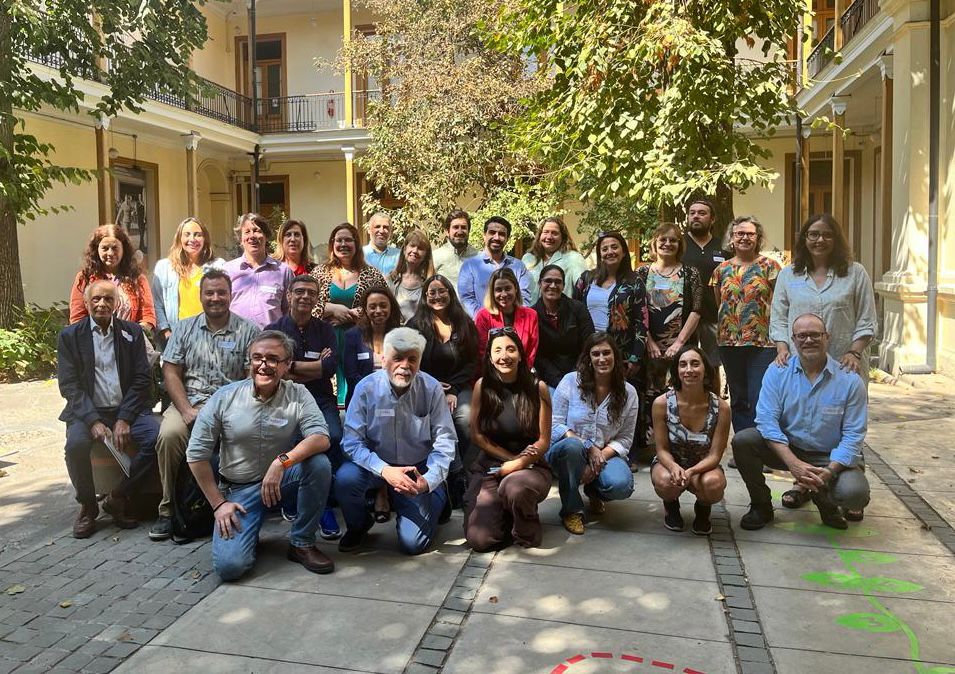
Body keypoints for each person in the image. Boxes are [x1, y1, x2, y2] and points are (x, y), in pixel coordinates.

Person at [187, 330, 336, 580]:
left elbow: (321, 437)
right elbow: (196, 454)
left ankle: (301, 543)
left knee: (319, 465)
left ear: (287, 365)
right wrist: (219, 504)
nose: (263, 365)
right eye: (257, 358)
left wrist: (281, 462)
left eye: (273, 359)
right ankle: (248, 528)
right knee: (230, 568)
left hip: (281, 481)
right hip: (238, 492)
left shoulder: (298, 393)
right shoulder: (225, 397)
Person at [770, 214, 877, 517]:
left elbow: (867, 320)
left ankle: (848, 484)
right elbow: (778, 318)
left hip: (845, 365)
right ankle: (804, 483)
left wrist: (855, 352)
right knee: (802, 420)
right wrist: (781, 347)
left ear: (836, 239)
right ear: (804, 239)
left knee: (845, 424)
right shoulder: (789, 275)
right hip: (798, 363)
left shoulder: (855, 274)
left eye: (827, 234)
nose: (819, 240)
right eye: (813, 234)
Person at [731, 314, 870, 531]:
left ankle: (825, 500)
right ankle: (761, 505)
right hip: (790, 447)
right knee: (743, 441)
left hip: (828, 455)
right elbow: (766, 421)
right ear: (793, 340)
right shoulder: (778, 372)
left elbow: (854, 435)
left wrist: (830, 471)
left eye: (815, 335)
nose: (808, 340)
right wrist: (793, 463)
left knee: (854, 494)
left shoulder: (849, 380)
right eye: (802, 336)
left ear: (827, 337)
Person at [149, 269, 260, 541]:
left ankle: (224, 506)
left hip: (231, 408)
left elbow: (251, 378)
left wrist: (227, 413)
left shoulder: (249, 331)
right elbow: (171, 372)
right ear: (200, 296)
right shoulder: (184, 328)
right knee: (168, 435)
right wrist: (186, 410)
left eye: (221, 292)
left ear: (231, 295)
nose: (215, 298)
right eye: (209, 293)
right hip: (190, 403)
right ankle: (168, 511)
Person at [336, 328, 456, 554]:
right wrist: (385, 471)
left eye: (412, 359)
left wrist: (429, 481)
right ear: (383, 360)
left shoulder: (431, 389)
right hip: (375, 466)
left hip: (416, 468)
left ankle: (438, 495)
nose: (405, 365)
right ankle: (359, 525)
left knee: (413, 545)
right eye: (397, 358)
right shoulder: (366, 389)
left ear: (420, 361)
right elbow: (351, 443)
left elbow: (445, 441)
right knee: (345, 479)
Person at [58, 280, 160, 538]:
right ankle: (88, 505)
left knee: (156, 439)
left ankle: (119, 496)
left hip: (127, 409)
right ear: (86, 303)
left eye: (108, 299)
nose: (102, 304)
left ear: (116, 304)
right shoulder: (70, 336)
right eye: (96, 299)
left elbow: (141, 378)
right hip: (88, 411)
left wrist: (124, 418)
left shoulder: (132, 333)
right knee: (75, 445)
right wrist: (92, 421)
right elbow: (69, 385)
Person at [267, 274, 342, 540]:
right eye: (299, 291)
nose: (305, 297)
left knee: (332, 435)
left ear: (317, 298)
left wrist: (291, 365)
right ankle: (293, 499)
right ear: (289, 295)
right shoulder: (273, 330)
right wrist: (313, 368)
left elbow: (330, 368)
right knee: (293, 437)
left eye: (311, 293)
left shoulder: (325, 331)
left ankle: (324, 504)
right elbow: (275, 371)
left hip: (321, 399)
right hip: (285, 399)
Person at [465, 327, 552, 551]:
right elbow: (476, 435)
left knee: (515, 488)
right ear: (490, 358)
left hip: (530, 466)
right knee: (479, 540)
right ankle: (507, 513)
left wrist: (518, 464)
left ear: (521, 355)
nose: (504, 356)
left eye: (511, 349)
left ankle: (526, 528)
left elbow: (543, 441)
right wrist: (508, 460)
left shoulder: (537, 388)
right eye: (498, 350)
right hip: (491, 467)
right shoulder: (482, 387)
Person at [547, 333, 637, 535]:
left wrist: (598, 460)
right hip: (567, 451)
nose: (602, 359)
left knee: (621, 485)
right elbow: (554, 424)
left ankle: (594, 490)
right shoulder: (570, 382)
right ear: (588, 358)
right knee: (573, 447)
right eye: (595, 354)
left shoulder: (629, 392)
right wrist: (589, 447)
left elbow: (625, 439)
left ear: (616, 356)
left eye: (607, 353)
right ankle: (572, 510)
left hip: (604, 454)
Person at [406, 274, 480, 506]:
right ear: (425, 297)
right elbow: (409, 363)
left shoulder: (465, 324)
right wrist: (434, 386)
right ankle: (453, 477)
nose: (437, 296)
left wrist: (454, 390)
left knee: (466, 418)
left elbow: (472, 362)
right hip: (425, 388)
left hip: (458, 387)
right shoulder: (415, 326)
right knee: (440, 419)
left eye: (442, 291)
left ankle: (469, 476)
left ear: (450, 293)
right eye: (432, 292)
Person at [650, 346, 730, 535]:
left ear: (705, 369)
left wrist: (693, 471)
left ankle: (703, 511)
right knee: (665, 481)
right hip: (671, 464)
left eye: (695, 364)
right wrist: (673, 467)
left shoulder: (721, 408)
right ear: (677, 370)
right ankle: (671, 507)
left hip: (704, 467)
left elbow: (716, 454)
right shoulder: (661, 403)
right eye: (683, 365)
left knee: (714, 485)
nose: (689, 370)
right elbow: (661, 449)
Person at [710, 216, 780, 434]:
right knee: (738, 397)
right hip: (729, 343)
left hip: (762, 343)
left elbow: (779, 303)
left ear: (757, 238)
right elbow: (719, 302)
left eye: (750, 234)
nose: (744, 238)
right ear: (731, 238)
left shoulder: (770, 267)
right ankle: (743, 444)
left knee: (759, 395)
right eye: (739, 233)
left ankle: (761, 443)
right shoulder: (721, 270)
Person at [636, 223, 704, 442]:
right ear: (654, 244)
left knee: (680, 394)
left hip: (680, 348)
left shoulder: (690, 273)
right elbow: (637, 310)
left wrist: (678, 343)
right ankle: (651, 445)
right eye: (662, 240)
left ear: (679, 244)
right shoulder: (642, 272)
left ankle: (679, 443)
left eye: (673, 240)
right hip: (650, 347)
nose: (667, 244)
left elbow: (696, 310)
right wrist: (649, 343)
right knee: (650, 394)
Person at [310, 223, 387, 406]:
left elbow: (384, 305)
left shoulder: (371, 274)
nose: (343, 244)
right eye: (338, 240)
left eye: (348, 240)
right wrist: (330, 309)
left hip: (359, 338)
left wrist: (352, 314)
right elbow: (306, 303)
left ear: (356, 244)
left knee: (355, 386)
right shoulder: (320, 272)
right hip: (326, 338)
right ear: (332, 244)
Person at [151, 217, 225, 345]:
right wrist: (166, 332)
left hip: (210, 338)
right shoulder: (164, 268)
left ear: (205, 239)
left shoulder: (219, 266)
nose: (192, 239)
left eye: (198, 235)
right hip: (177, 338)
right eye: (187, 234)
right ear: (179, 238)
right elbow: (156, 303)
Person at [69, 224, 156, 332]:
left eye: (115, 248)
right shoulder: (84, 278)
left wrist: (135, 334)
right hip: (94, 342)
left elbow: (148, 316)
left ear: (124, 249)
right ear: (97, 249)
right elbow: (77, 318)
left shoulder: (137, 279)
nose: (110, 253)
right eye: (105, 248)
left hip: (129, 342)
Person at [223, 212, 293, 328]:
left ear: (266, 236)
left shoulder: (283, 271)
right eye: (247, 232)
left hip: (271, 340)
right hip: (236, 340)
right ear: (241, 239)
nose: (252, 236)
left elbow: (290, 311)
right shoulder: (228, 270)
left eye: (257, 231)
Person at [682, 199, 730, 366]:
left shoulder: (723, 247)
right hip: (683, 318)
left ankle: (713, 394)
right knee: (684, 365)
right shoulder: (678, 244)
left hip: (713, 317)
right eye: (692, 213)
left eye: (702, 213)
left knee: (712, 366)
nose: (696, 216)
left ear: (713, 219)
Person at [532, 265, 594, 392]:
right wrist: (558, 381)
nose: (553, 285)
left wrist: (573, 377)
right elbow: (537, 355)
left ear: (564, 285)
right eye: (548, 281)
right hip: (547, 381)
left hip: (579, 377)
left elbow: (589, 345)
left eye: (558, 282)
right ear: (539, 283)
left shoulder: (578, 309)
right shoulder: (532, 314)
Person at [342, 286, 404, 407]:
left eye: (383, 305)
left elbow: (406, 370)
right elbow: (351, 376)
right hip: (362, 401)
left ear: (391, 307)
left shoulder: (402, 336)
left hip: (396, 400)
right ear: (365, 309)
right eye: (372, 306)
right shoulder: (352, 336)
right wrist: (378, 392)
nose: (378, 310)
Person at [458, 216, 531, 317]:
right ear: (484, 235)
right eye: (492, 232)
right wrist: (486, 320)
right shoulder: (469, 266)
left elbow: (524, 298)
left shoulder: (518, 266)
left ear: (507, 239)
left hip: (512, 327)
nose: (496, 237)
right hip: (480, 327)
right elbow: (467, 299)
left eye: (501, 234)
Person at [475, 268, 539, 368]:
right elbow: (482, 353)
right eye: (498, 290)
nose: (504, 294)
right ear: (492, 292)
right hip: (492, 374)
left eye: (508, 288)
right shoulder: (483, 316)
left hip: (522, 373)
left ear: (516, 288)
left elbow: (531, 353)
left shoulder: (531, 315)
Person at [521, 216, 588, 304]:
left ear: (563, 237)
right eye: (545, 232)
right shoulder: (528, 258)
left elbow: (583, 289)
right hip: (529, 315)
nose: (549, 237)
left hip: (562, 315)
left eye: (554, 233)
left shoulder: (574, 258)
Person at [386, 228, 434, 321]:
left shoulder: (431, 283)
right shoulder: (391, 280)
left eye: (420, 248)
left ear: (426, 255)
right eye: (412, 246)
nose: (415, 251)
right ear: (404, 250)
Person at [432, 210, 479, 288]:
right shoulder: (435, 257)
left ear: (469, 231)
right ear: (447, 232)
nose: (460, 232)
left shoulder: (478, 257)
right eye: (455, 227)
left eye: (463, 227)